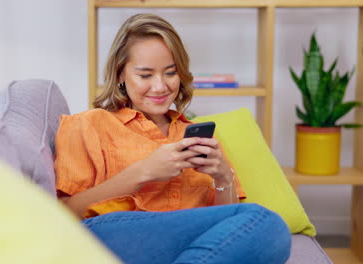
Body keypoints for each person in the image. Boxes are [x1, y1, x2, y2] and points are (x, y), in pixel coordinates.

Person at [54, 13, 291, 264]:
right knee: (264, 220)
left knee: (270, 233)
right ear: (120, 74)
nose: (160, 87)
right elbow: (65, 213)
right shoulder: (87, 124)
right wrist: (144, 172)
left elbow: (229, 225)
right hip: (110, 237)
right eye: (145, 75)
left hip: (176, 249)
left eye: (170, 73)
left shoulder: (196, 136)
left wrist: (223, 176)